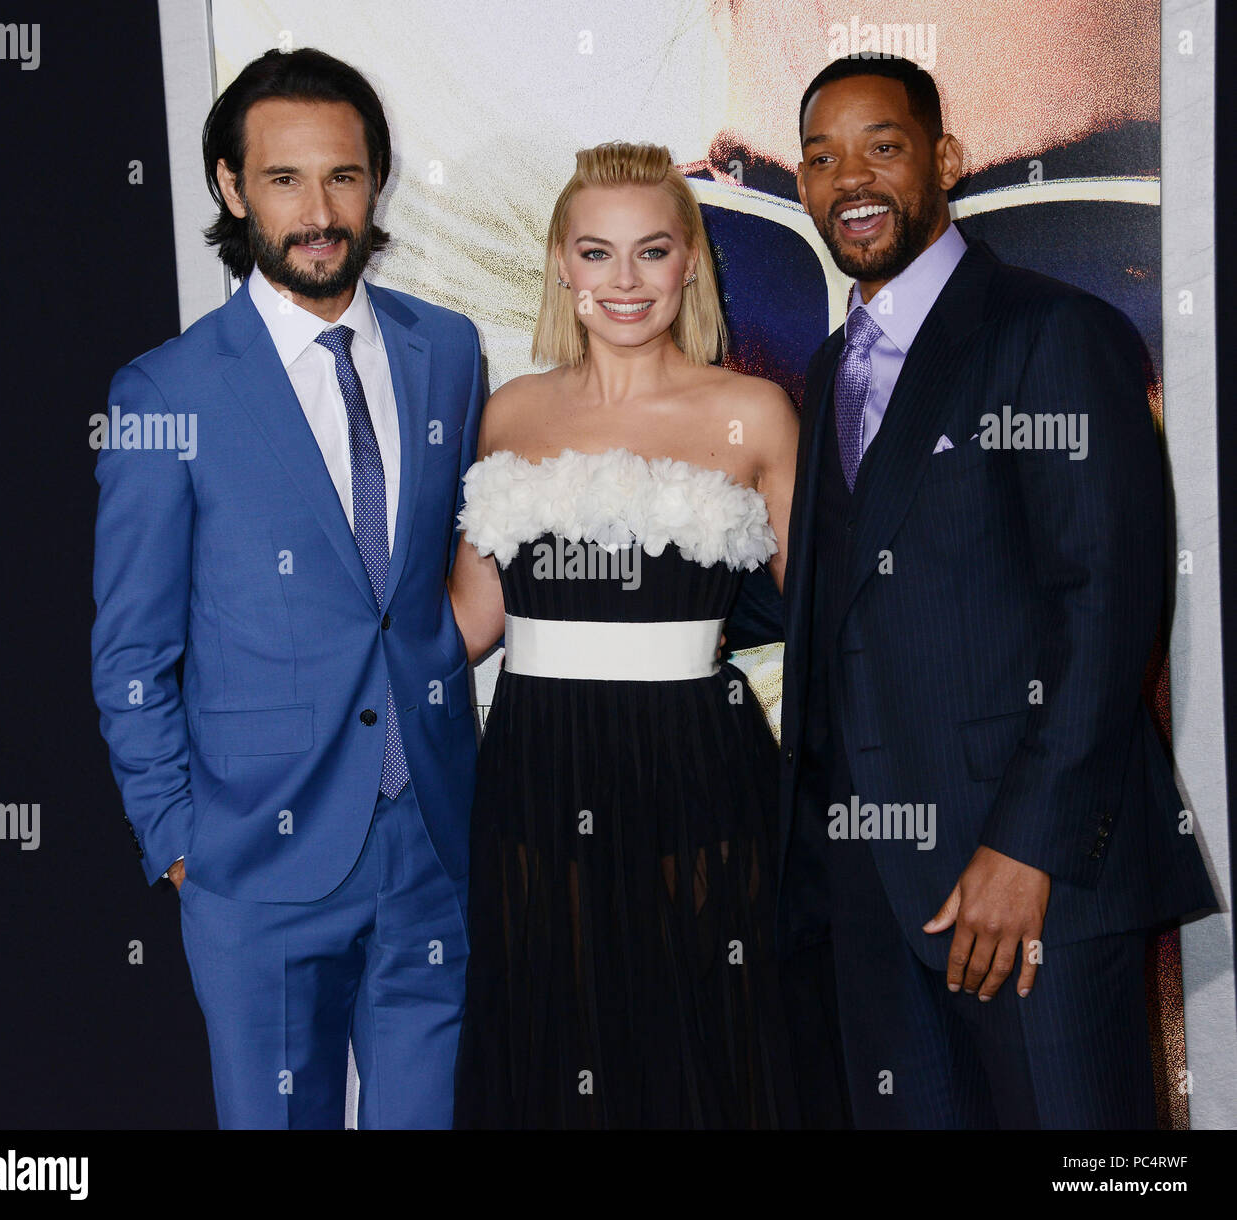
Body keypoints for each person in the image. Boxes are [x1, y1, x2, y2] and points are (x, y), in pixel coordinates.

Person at [778, 54, 1217, 1128]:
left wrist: (1028, 848)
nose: (853, 179)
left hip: (1032, 885)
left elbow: (1106, 606)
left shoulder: (1052, 333)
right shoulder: (834, 366)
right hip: (876, 898)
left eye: (881, 145)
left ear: (944, 160)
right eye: (824, 157)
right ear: (801, 185)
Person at [90, 48, 484, 1129]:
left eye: (344, 177)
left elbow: (430, 584)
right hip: (250, 862)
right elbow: (130, 650)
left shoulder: (445, 351)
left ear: (376, 181)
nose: (320, 211)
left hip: (432, 849)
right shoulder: (165, 391)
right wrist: (178, 839)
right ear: (229, 186)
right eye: (284, 179)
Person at [446, 141, 826, 1128]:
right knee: (553, 1042)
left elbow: (833, 625)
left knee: (701, 1044)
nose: (625, 281)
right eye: (598, 253)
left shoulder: (754, 415)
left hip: (697, 770)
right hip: (534, 769)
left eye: (651, 252)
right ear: (562, 266)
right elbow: (466, 624)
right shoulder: (508, 413)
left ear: (690, 262)